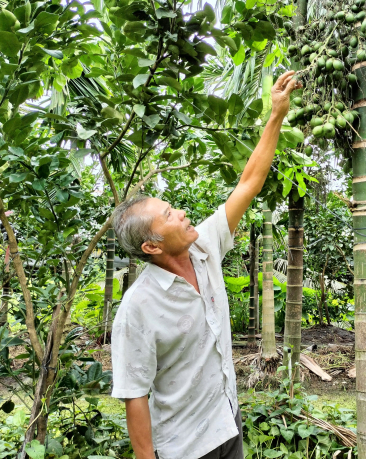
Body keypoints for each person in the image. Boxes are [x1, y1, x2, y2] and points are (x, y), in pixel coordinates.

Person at [110, 71, 301, 459]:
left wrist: (276, 113)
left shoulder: (206, 248)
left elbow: (249, 183)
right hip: (184, 447)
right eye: (168, 215)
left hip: (226, 424)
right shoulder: (137, 307)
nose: (180, 213)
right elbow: (134, 395)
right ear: (151, 245)